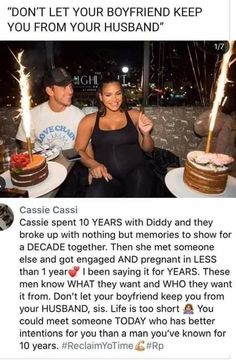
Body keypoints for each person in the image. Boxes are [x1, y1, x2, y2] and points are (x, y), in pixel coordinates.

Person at [75, 76, 155, 197]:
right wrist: (93, 165)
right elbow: (78, 150)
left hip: (137, 172)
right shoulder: (88, 120)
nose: (115, 99)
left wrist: (146, 134)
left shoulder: (134, 115)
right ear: (101, 97)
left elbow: (148, 149)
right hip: (106, 175)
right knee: (94, 196)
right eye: (108, 95)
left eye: (118, 93)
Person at [16, 67, 85, 150]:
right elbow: (27, 149)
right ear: (50, 91)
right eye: (64, 87)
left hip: (70, 162)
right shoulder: (31, 116)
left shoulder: (79, 116)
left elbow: (84, 149)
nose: (70, 91)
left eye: (70, 86)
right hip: (43, 161)